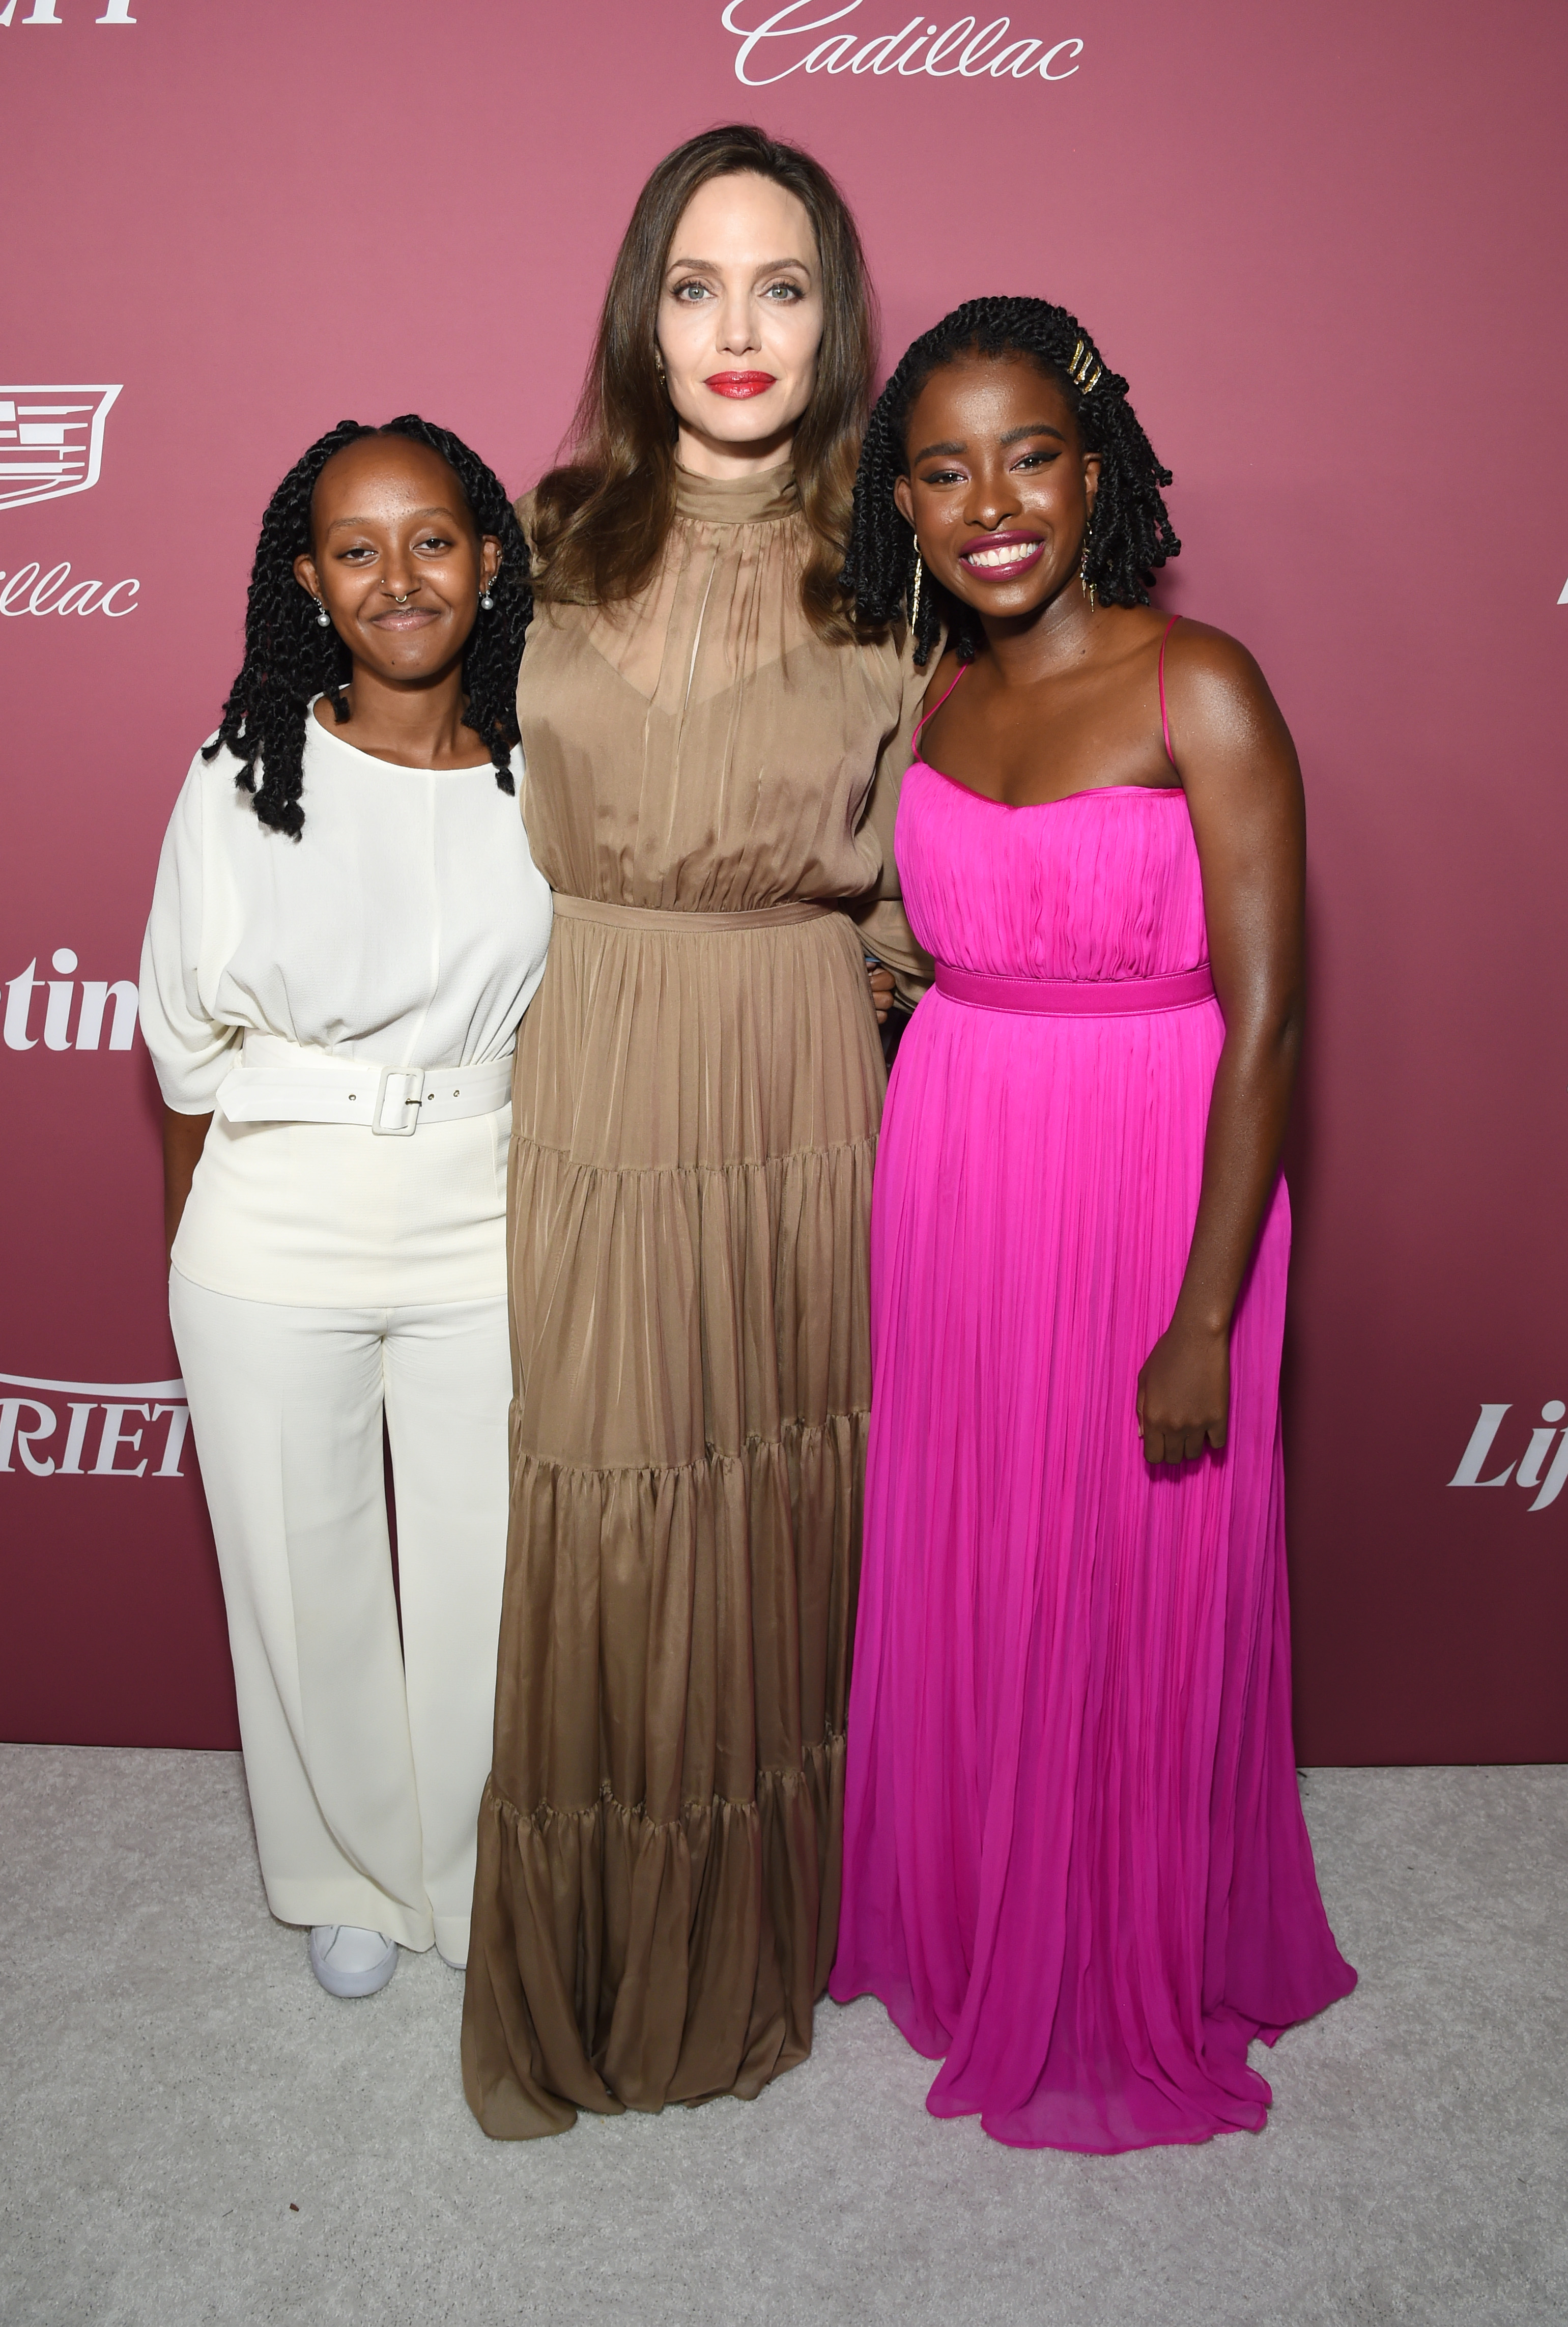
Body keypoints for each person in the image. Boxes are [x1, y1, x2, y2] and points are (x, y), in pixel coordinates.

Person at [829, 298, 1356, 2151]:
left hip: (1151, 1175)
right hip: (960, 1165)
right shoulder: (941, 698)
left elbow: (1271, 1014)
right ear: (899, 498)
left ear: (1097, 467)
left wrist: (1205, 1309)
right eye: (943, 465)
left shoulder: (1193, 681)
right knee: (979, 1552)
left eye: (1030, 454)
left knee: (1128, 1581)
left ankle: (1114, 1948)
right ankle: (981, 1917)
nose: (992, 501)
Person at [461, 126, 929, 2138]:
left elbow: (947, 877)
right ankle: (604, 1959)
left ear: (835, 324)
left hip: (809, 1073)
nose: (739, 332)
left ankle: (776, 1924)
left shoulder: (902, 563)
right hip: (596, 1061)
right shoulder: (542, 539)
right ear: (641, 312)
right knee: (621, 1500)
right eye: (697, 285)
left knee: (780, 1505)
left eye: (785, 287)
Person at [139, 418, 551, 1997]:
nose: (399, 577)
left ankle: (467, 1863)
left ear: (489, 556)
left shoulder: (543, 764)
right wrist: (207, 1246)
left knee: (491, 1558)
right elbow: (183, 1044)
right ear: (308, 577)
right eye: (356, 548)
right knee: (301, 1569)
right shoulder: (249, 765)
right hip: (280, 1202)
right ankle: (349, 1877)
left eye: (431, 538)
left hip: (485, 1202)